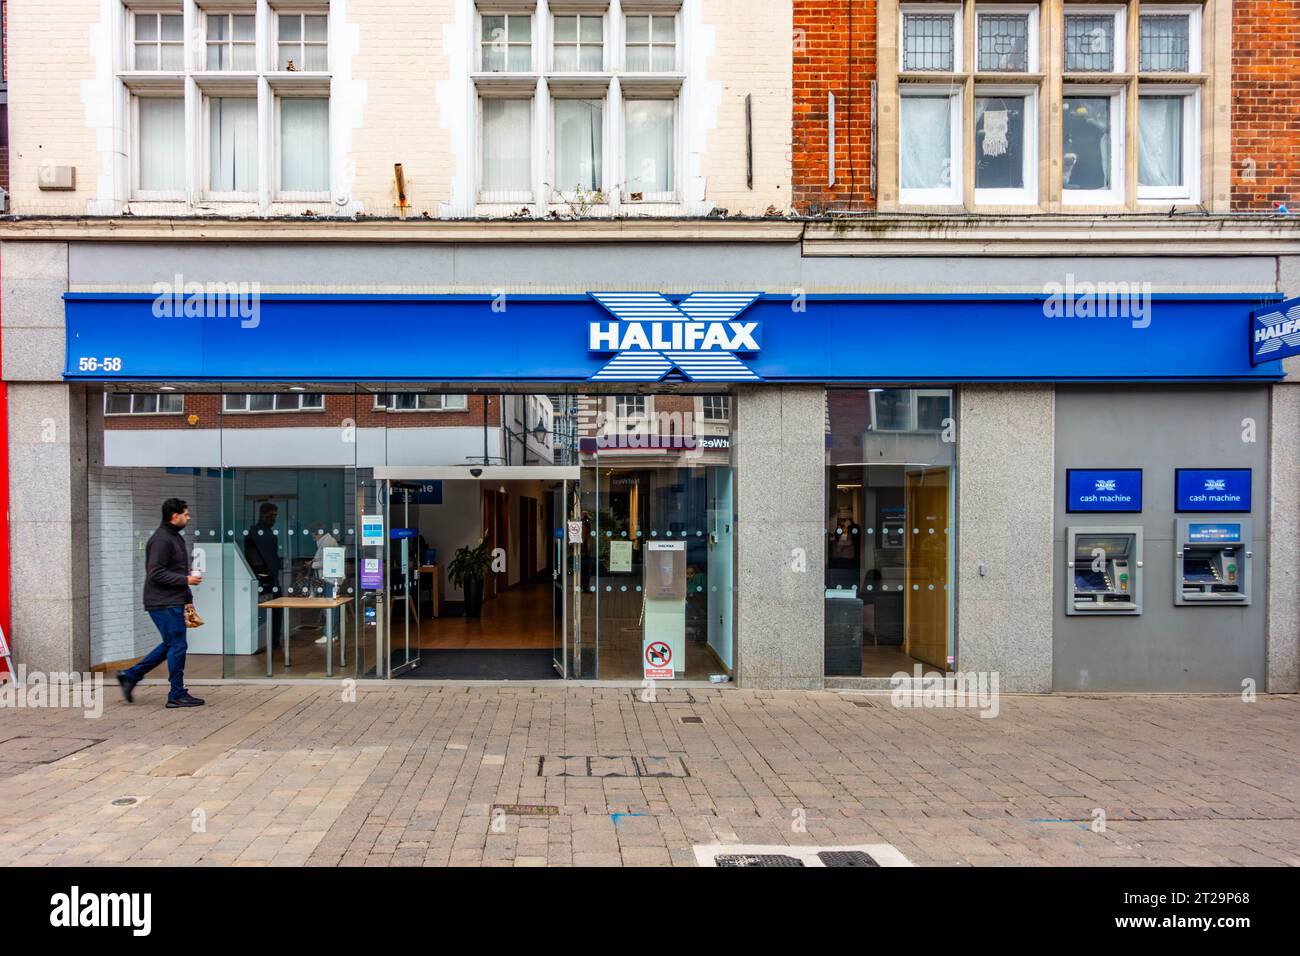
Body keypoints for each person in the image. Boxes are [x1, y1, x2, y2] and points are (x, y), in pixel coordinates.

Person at [117, 498, 205, 708]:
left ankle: (131, 675)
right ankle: (176, 694)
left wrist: (187, 598)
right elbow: (155, 573)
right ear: (175, 516)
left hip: (172, 600)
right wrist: (186, 581)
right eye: (185, 514)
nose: (188, 517)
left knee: (170, 644)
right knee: (178, 645)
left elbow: (174, 570)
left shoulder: (174, 537)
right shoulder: (162, 540)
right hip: (163, 602)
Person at [245, 502, 285, 651]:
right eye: (271, 515)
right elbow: (254, 558)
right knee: (270, 611)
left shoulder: (267, 533)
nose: (273, 518)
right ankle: (270, 640)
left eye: (275, 515)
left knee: (276, 610)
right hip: (263, 578)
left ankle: (274, 639)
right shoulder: (256, 533)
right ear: (263, 514)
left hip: (270, 576)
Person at [310, 527, 340, 646]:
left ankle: (329, 634)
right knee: (333, 606)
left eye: (313, 535)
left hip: (330, 579)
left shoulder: (327, 543)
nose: (313, 538)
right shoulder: (329, 541)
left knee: (330, 607)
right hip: (332, 578)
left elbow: (326, 562)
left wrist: (313, 565)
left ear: (318, 533)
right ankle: (333, 633)